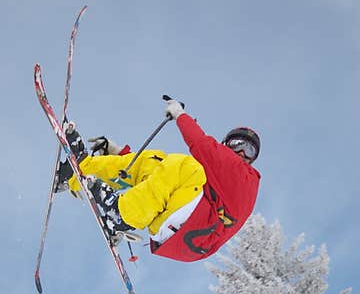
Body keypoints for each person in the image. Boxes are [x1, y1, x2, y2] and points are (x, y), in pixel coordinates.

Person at [55, 98, 261, 262]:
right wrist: (119, 154)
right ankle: (78, 171)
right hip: (182, 226)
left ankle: (121, 215)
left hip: (194, 231)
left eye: (249, 150)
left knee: (185, 167)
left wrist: (180, 115)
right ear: (227, 144)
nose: (242, 152)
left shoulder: (246, 178)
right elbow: (157, 177)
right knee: (158, 160)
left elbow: (200, 143)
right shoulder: (218, 182)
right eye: (237, 144)